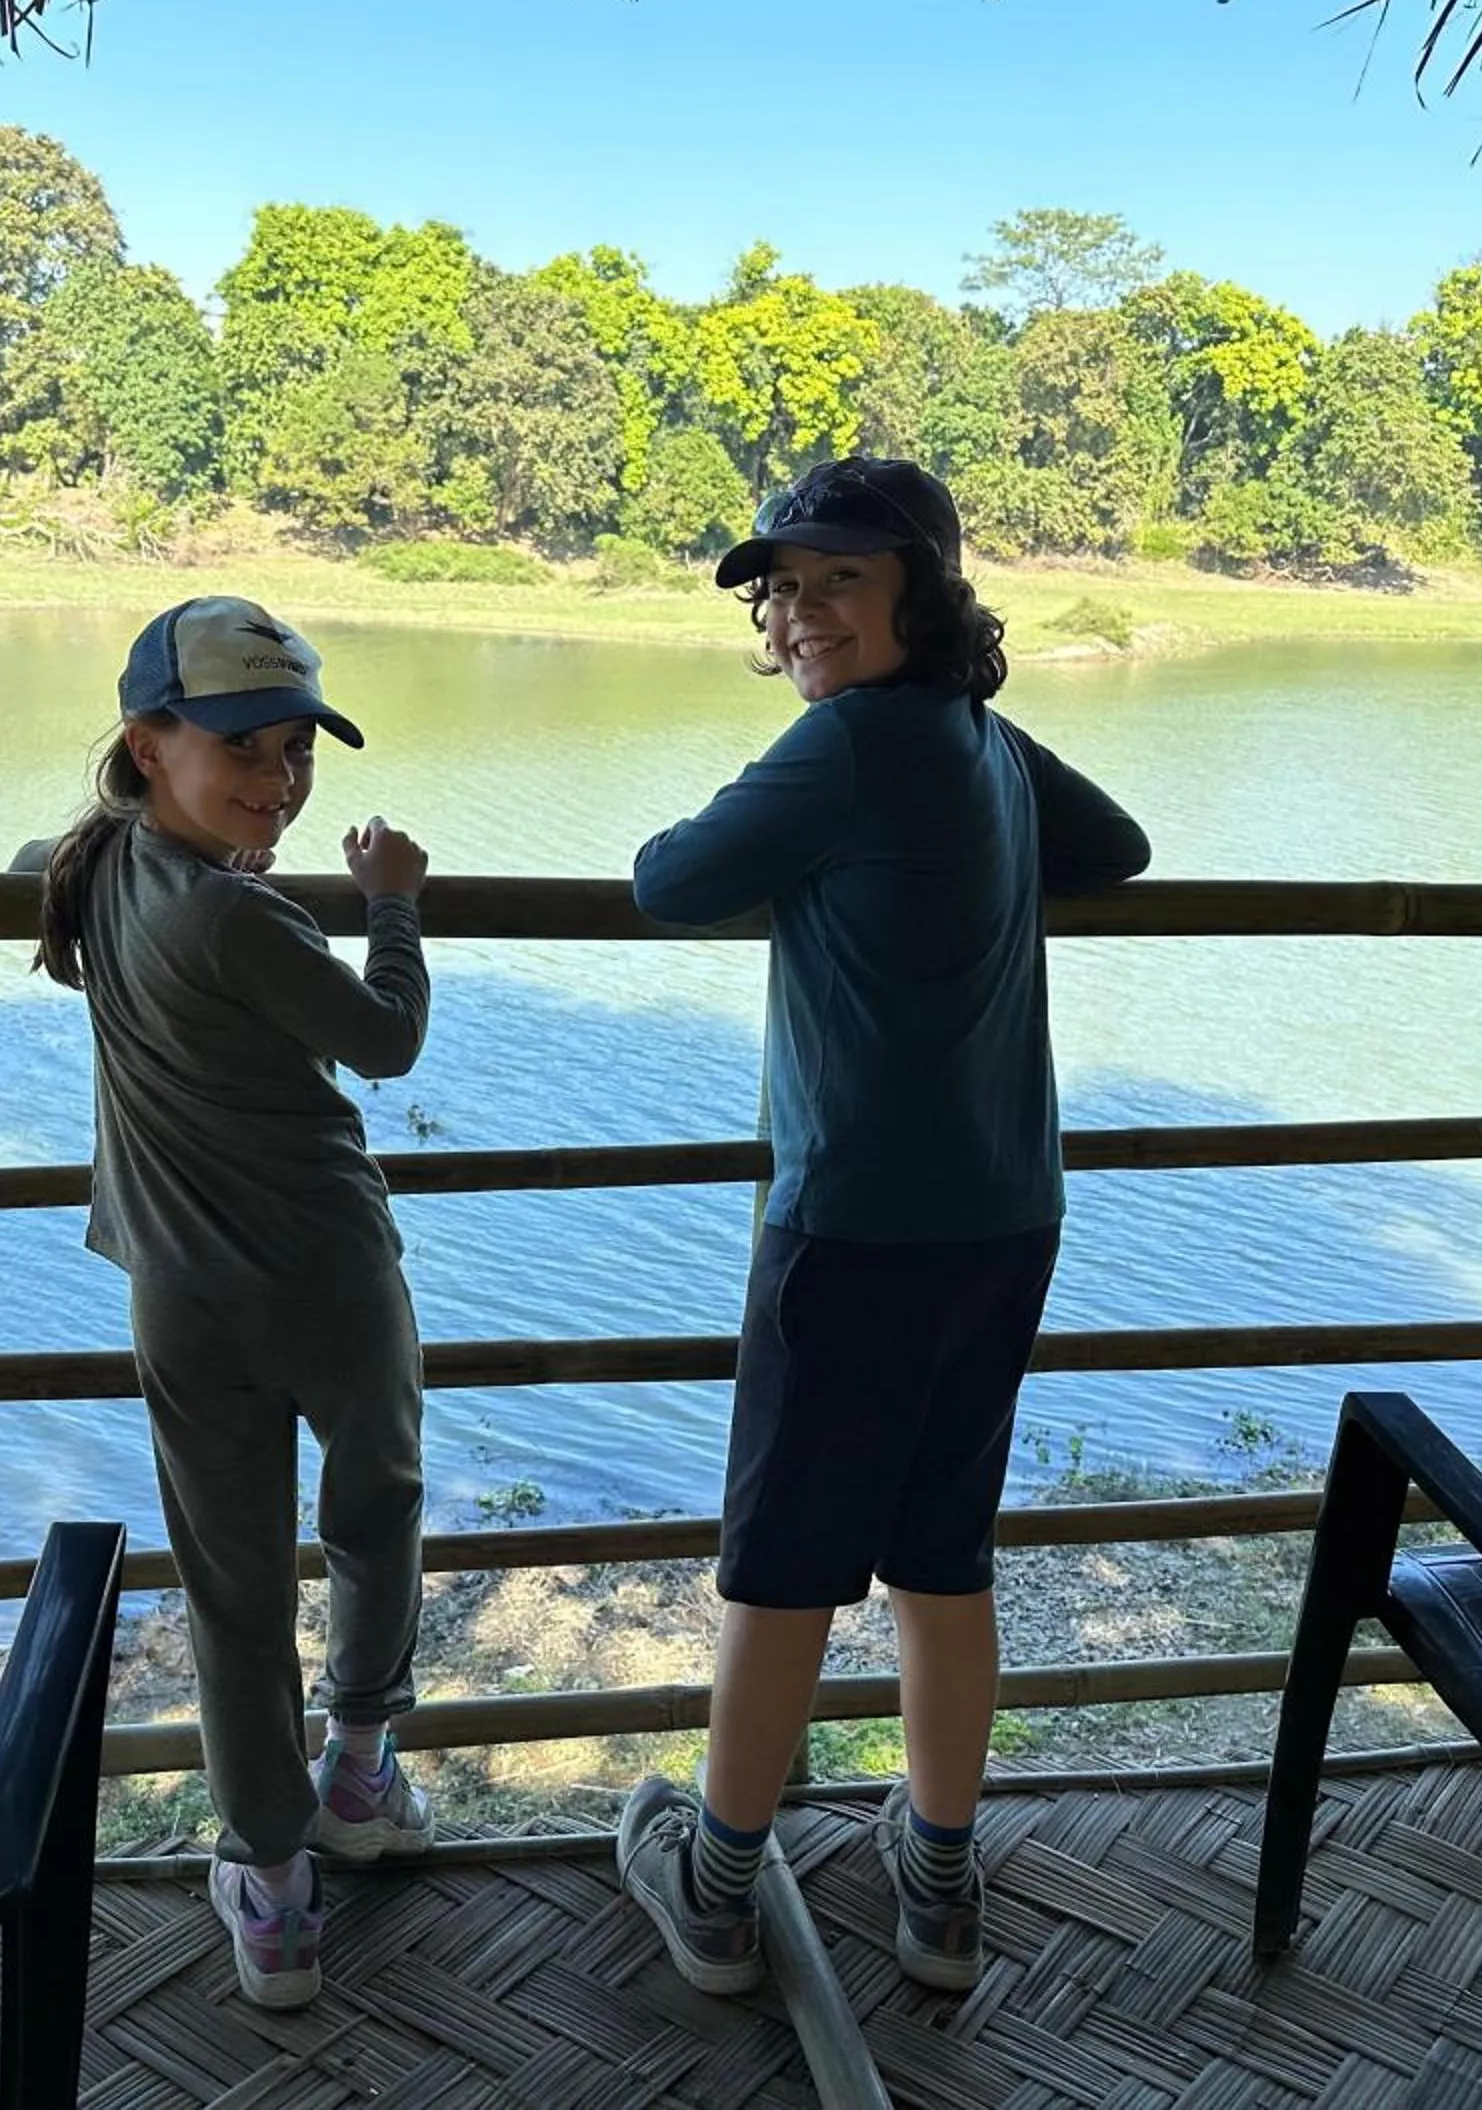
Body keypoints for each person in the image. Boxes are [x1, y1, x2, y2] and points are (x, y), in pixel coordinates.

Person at [615, 458, 1151, 1997]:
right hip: (1004, 1212)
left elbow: (665, 881)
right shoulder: (978, 737)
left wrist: (825, 837)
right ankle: (937, 1881)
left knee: (783, 1565)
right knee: (938, 1553)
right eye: (781, 587)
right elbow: (1116, 847)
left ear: (921, 589)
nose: (797, 611)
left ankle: (715, 1891)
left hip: (853, 1223)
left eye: (838, 579)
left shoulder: (845, 745)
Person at [14, 595, 436, 2011]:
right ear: (148, 743)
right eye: (246, 746)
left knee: (233, 1584)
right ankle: (360, 1767)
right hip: (331, 1273)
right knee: (373, 1507)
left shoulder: (95, 869)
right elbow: (383, 1041)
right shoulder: (238, 909)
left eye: (299, 749)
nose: (282, 778)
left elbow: (40, 859)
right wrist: (389, 901)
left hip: (184, 1299)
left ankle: (269, 1885)